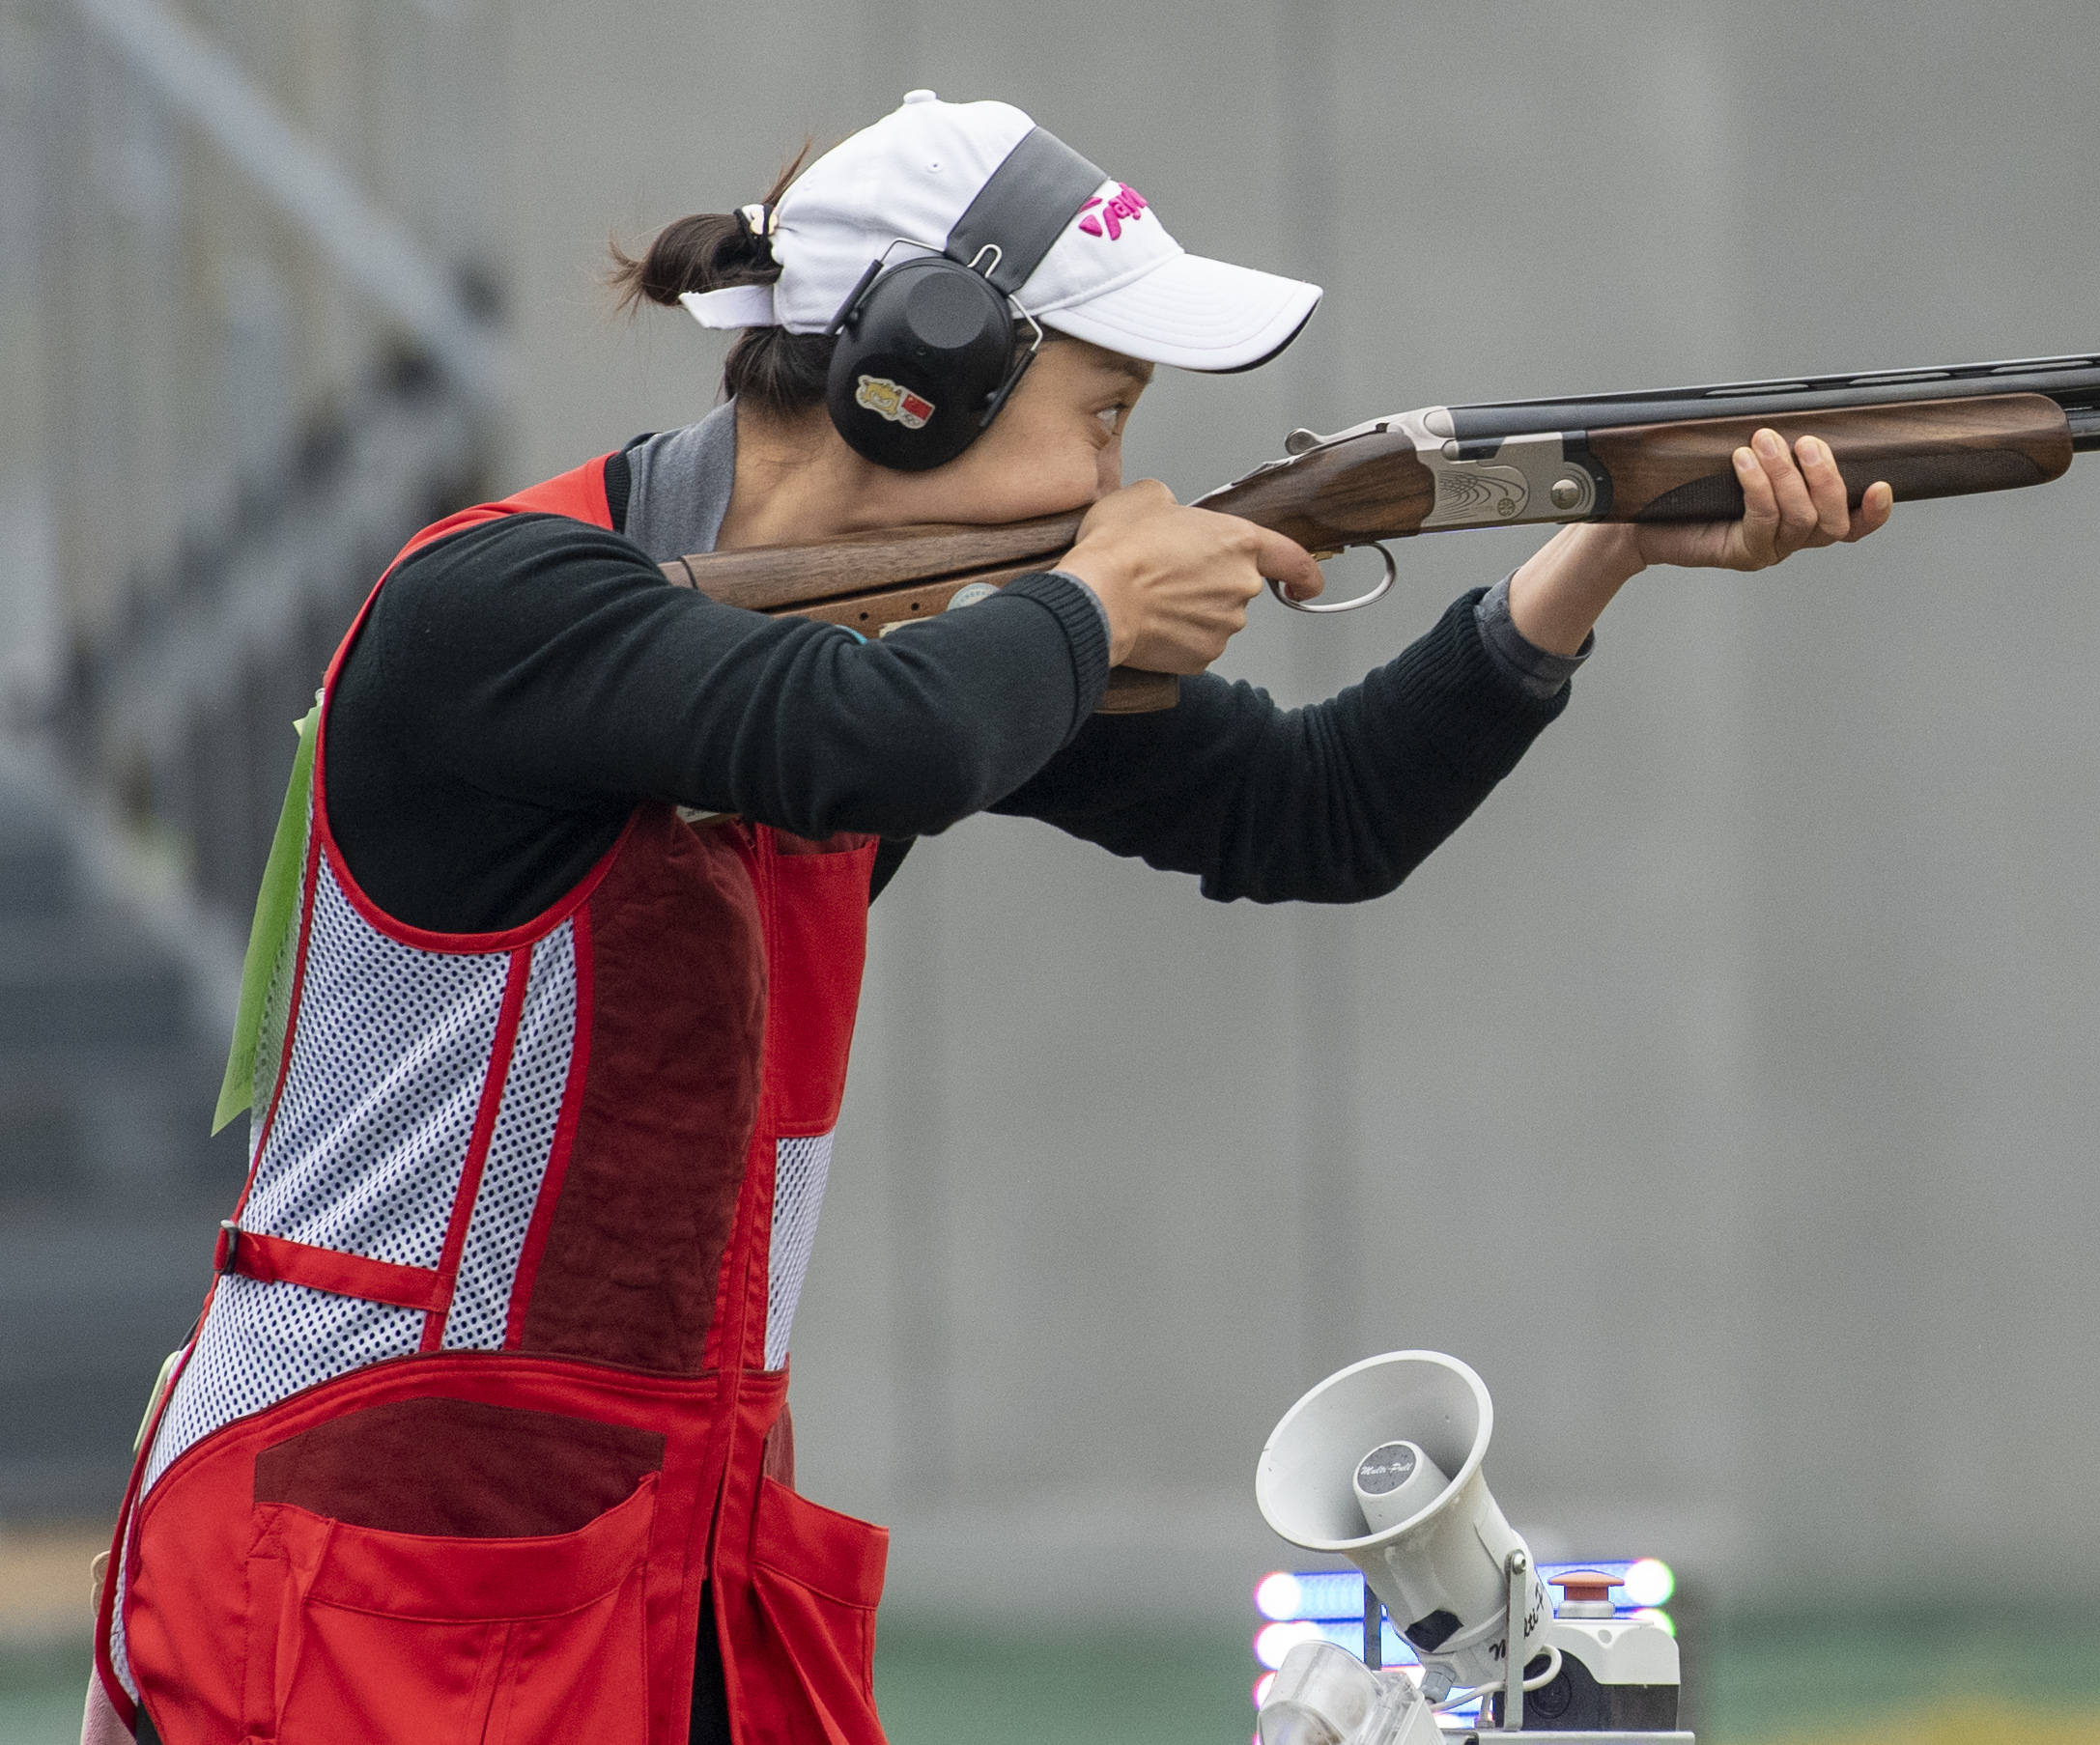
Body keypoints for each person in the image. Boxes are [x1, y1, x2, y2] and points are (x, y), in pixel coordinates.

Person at [85, 91, 1887, 1745]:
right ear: (908, 385)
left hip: (664, 1580)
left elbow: (1316, 814)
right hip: (367, 1558)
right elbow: (860, 744)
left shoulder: (929, 650)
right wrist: (1095, 609)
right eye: (1101, 417)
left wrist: (1599, 554)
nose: (1122, 489)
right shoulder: (505, 603)